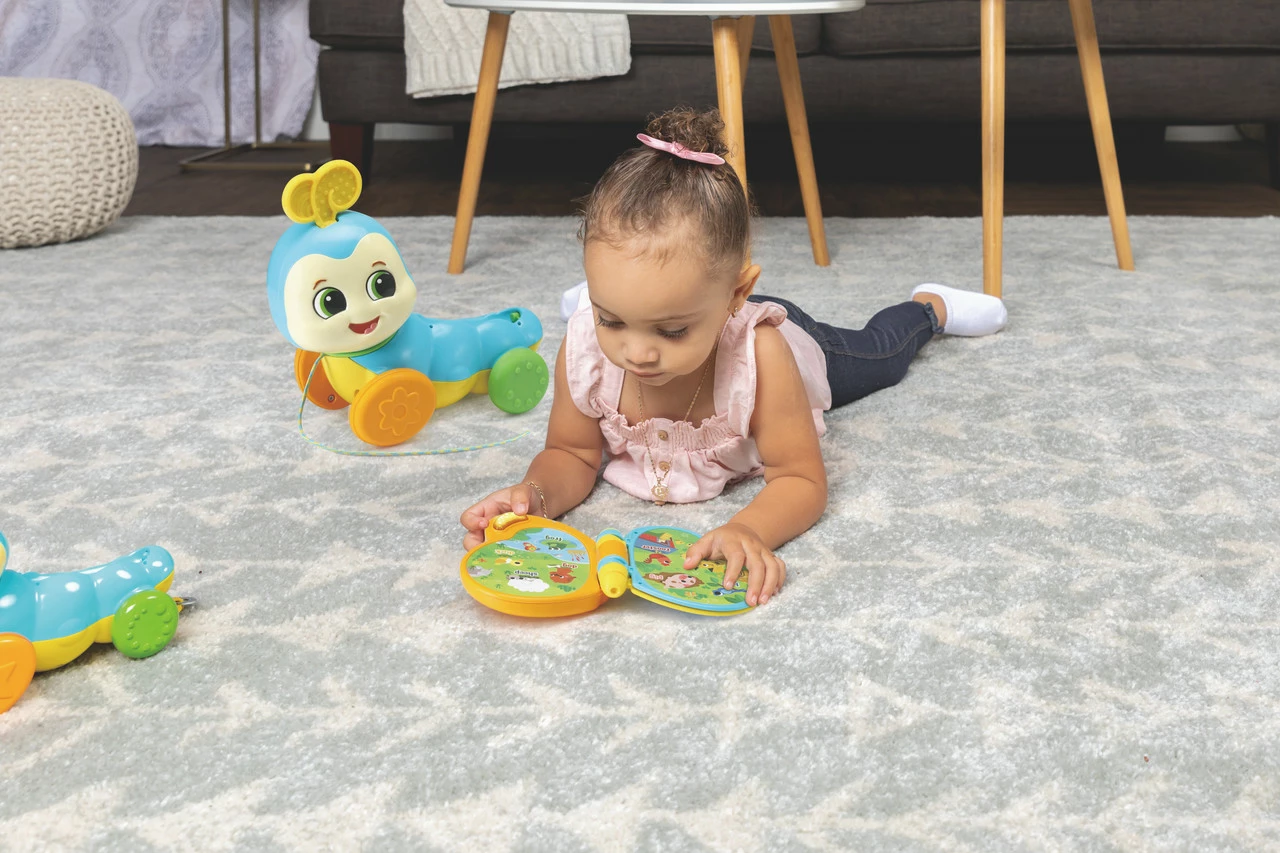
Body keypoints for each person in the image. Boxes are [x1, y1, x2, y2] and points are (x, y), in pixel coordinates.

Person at [461, 107, 1007, 607]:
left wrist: (749, 529)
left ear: (737, 294)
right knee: (633, 321)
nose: (637, 353)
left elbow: (800, 478)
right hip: (692, 301)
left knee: (880, 357)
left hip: (797, 346)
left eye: (670, 330)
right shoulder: (586, 350)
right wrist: (533, 496)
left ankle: (929, 308)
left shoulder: (762, 357)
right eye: (612, 319)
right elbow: (572, 453)